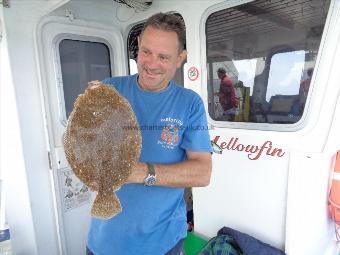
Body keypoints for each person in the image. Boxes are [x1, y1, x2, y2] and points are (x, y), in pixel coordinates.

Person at [86, 13, 212, 255]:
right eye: (146, 52)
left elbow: (202, 172)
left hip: (162, 244)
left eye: (163, 56)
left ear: (180, 59)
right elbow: (88, 141)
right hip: (104, 240)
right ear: (137, 50)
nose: (152, 63)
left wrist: (140, 172)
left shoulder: (189, 103)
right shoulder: (109, 89)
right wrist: (91, 168)